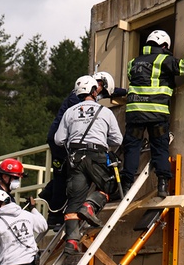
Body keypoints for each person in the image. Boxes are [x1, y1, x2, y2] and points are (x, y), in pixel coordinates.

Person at [121, 27, 184, 197]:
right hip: (157, 113)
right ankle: (162, 184)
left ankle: (126, 186)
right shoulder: (165, 60)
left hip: (134, 113)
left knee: (132, 148)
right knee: (160, 148)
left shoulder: (133, 63)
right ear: (165, 45)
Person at [43, 71, 124, 228]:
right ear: (96, 87)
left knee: (68, 177)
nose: (101, 96)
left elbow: (112, 92)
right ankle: (55, 216)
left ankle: (56, 211)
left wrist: (127, 92)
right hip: (62, 144)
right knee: (63, 179)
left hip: (64, 141)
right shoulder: (77, 102)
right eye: (102, 91)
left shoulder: (81, 92)